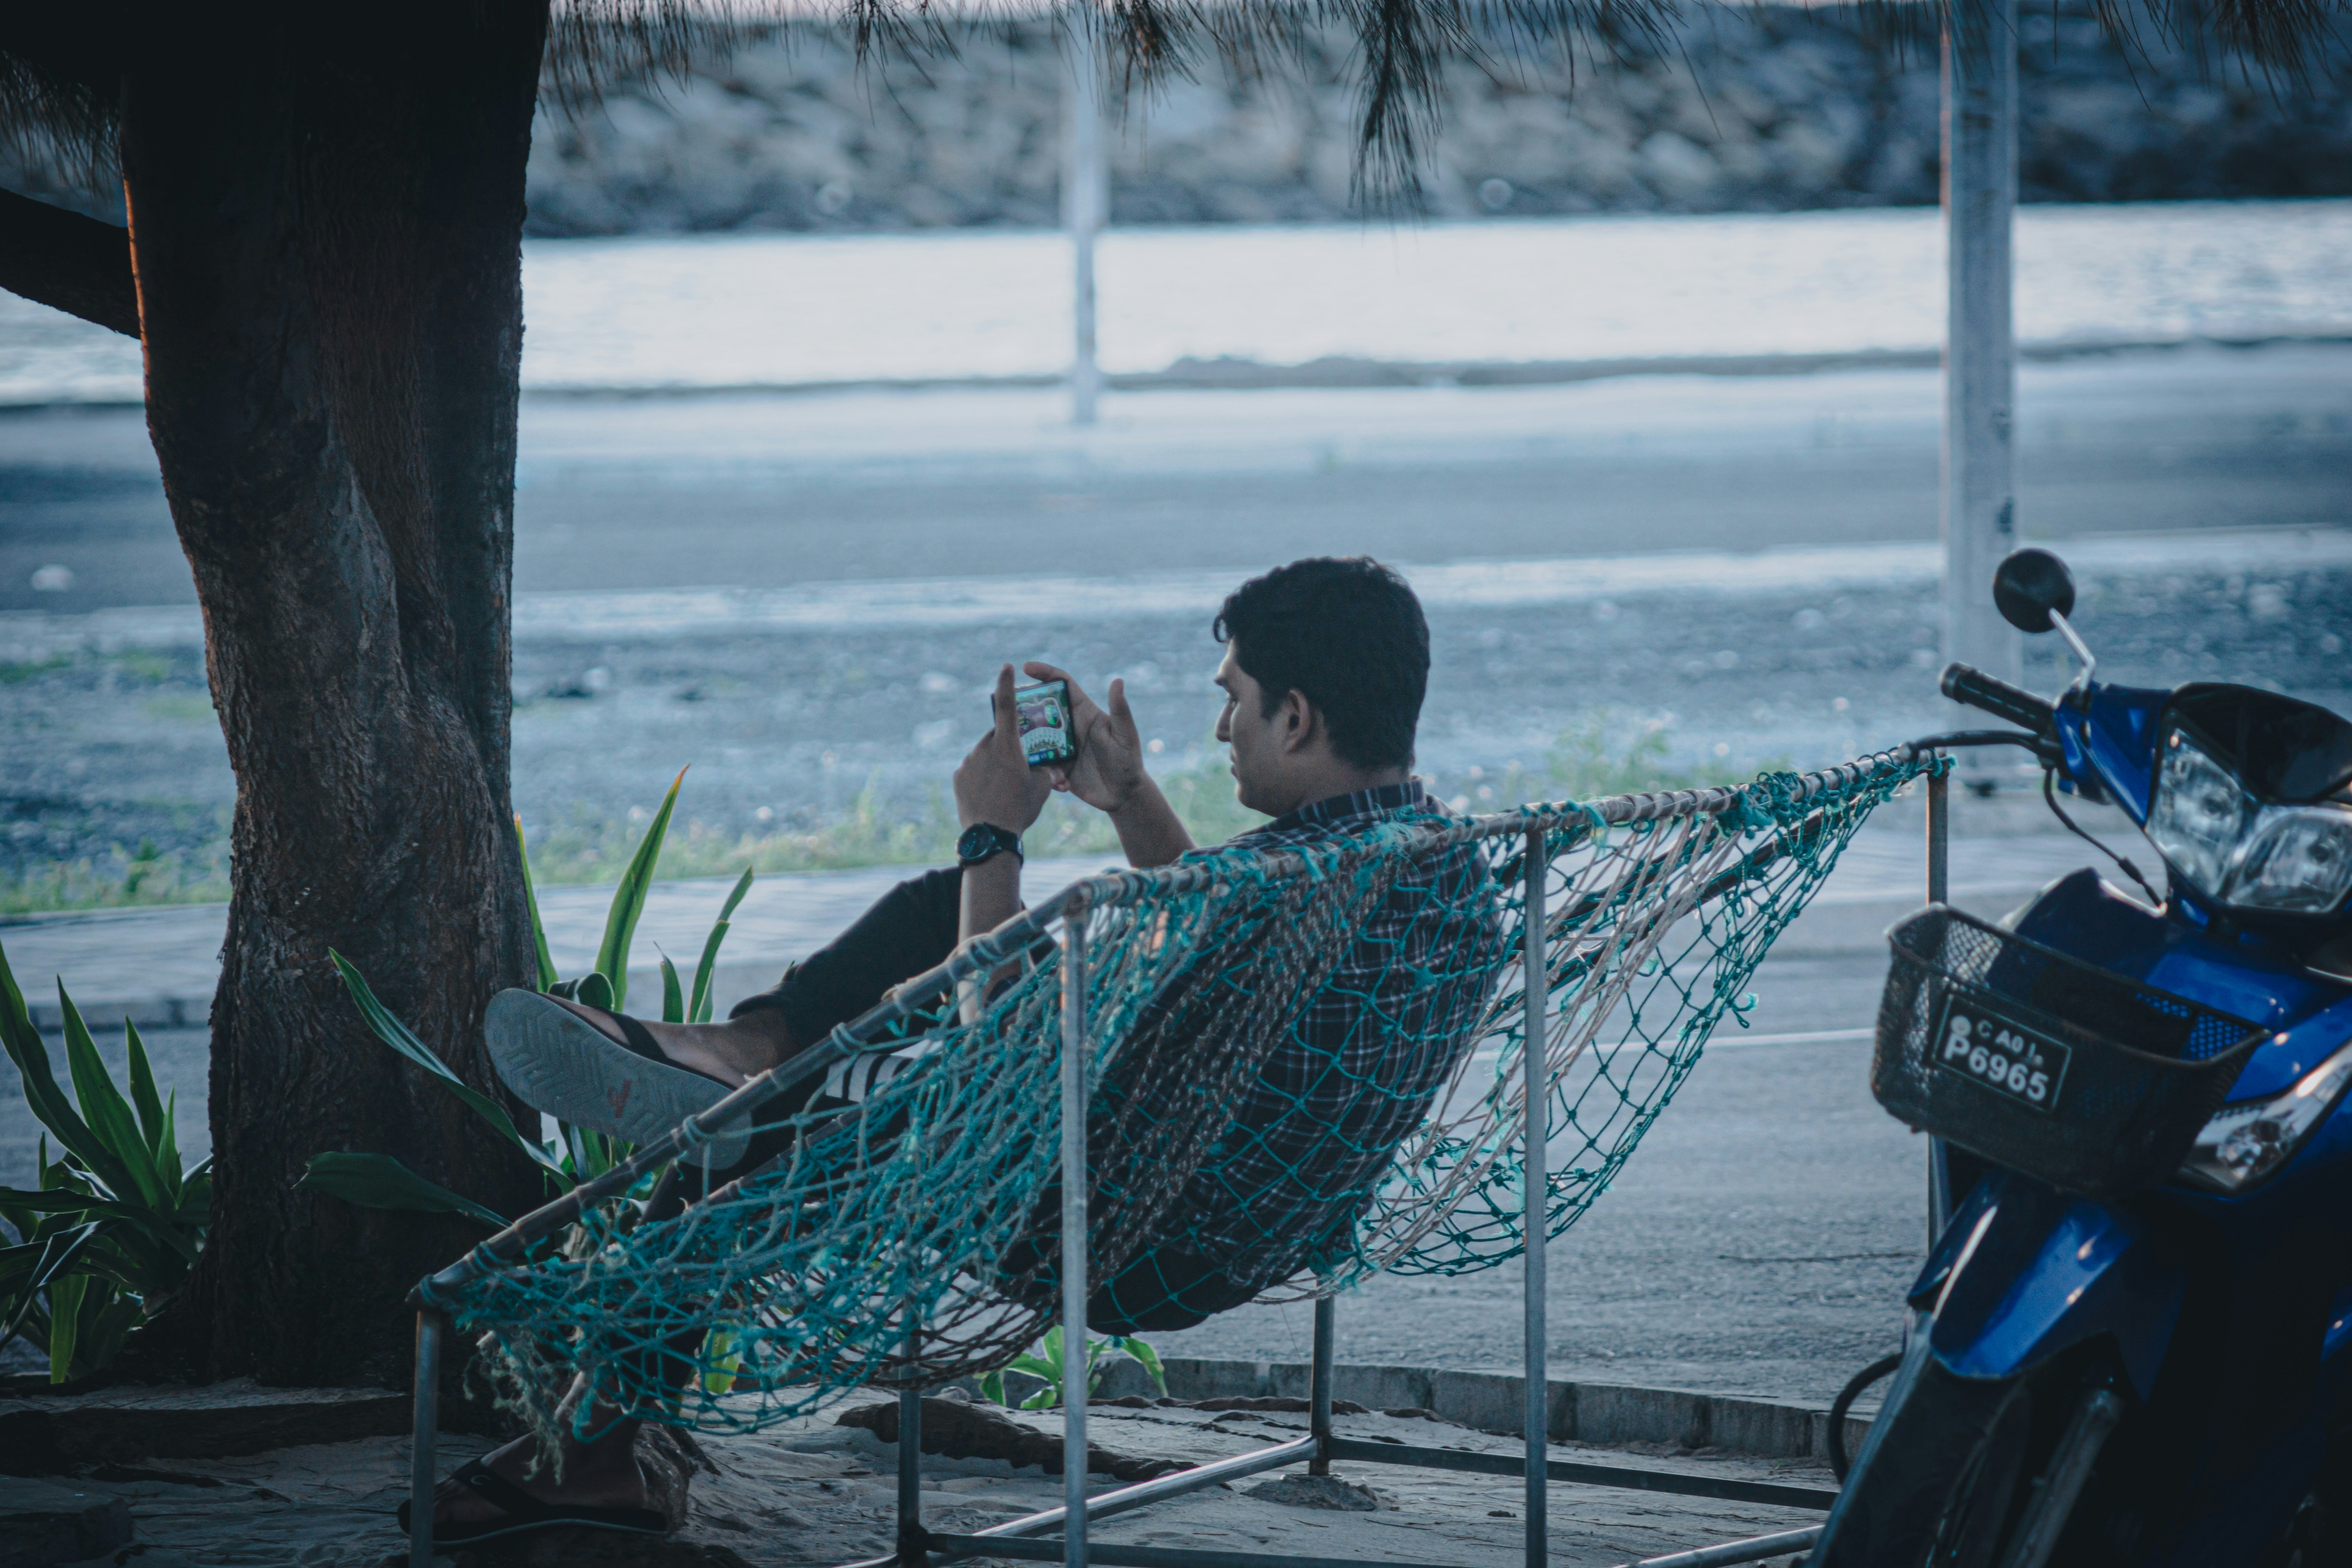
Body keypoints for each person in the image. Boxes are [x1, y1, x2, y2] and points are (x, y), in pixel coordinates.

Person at [411, 556, 1501, 1545]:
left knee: (771, 1124)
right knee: (917, 954)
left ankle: (599, 1438)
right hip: (1229, 1221)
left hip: (1099, 1224)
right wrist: (1124, 794)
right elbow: (1215, 934)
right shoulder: (1432, 868)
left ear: (1298, 717)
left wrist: (994, 835)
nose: (1223, 732)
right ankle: (741, 1049)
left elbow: (997, 1079)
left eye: (1235, 703)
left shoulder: (1289, 902)